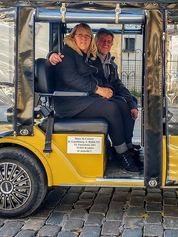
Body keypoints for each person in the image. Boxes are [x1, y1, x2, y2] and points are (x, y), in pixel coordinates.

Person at [51, 24, 140, 172]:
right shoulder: (67, 53)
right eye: (80, 35)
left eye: (87, 36)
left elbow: (95, 78)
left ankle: (126, 147)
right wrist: (98, 90)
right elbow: (70, 78)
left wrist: (106, 91)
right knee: (111, 109)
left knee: (122, 105)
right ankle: (122, 154)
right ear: (73, 36)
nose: (84, 38)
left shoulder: (81, 54)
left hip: (82, 98)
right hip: (69, 103)